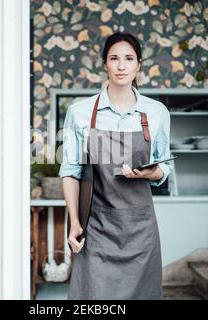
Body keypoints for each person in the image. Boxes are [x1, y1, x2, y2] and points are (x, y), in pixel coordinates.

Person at [59, 32, 173, 300]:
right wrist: (75, 222)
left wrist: (150, 172)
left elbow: (164, 167)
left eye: (129, 58)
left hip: (141, 230)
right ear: (105, 64)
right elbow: (70, 172)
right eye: (114, 58)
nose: (121, 66)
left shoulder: (156, 113)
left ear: (139, 65)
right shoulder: (80, 112)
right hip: (97, 227)